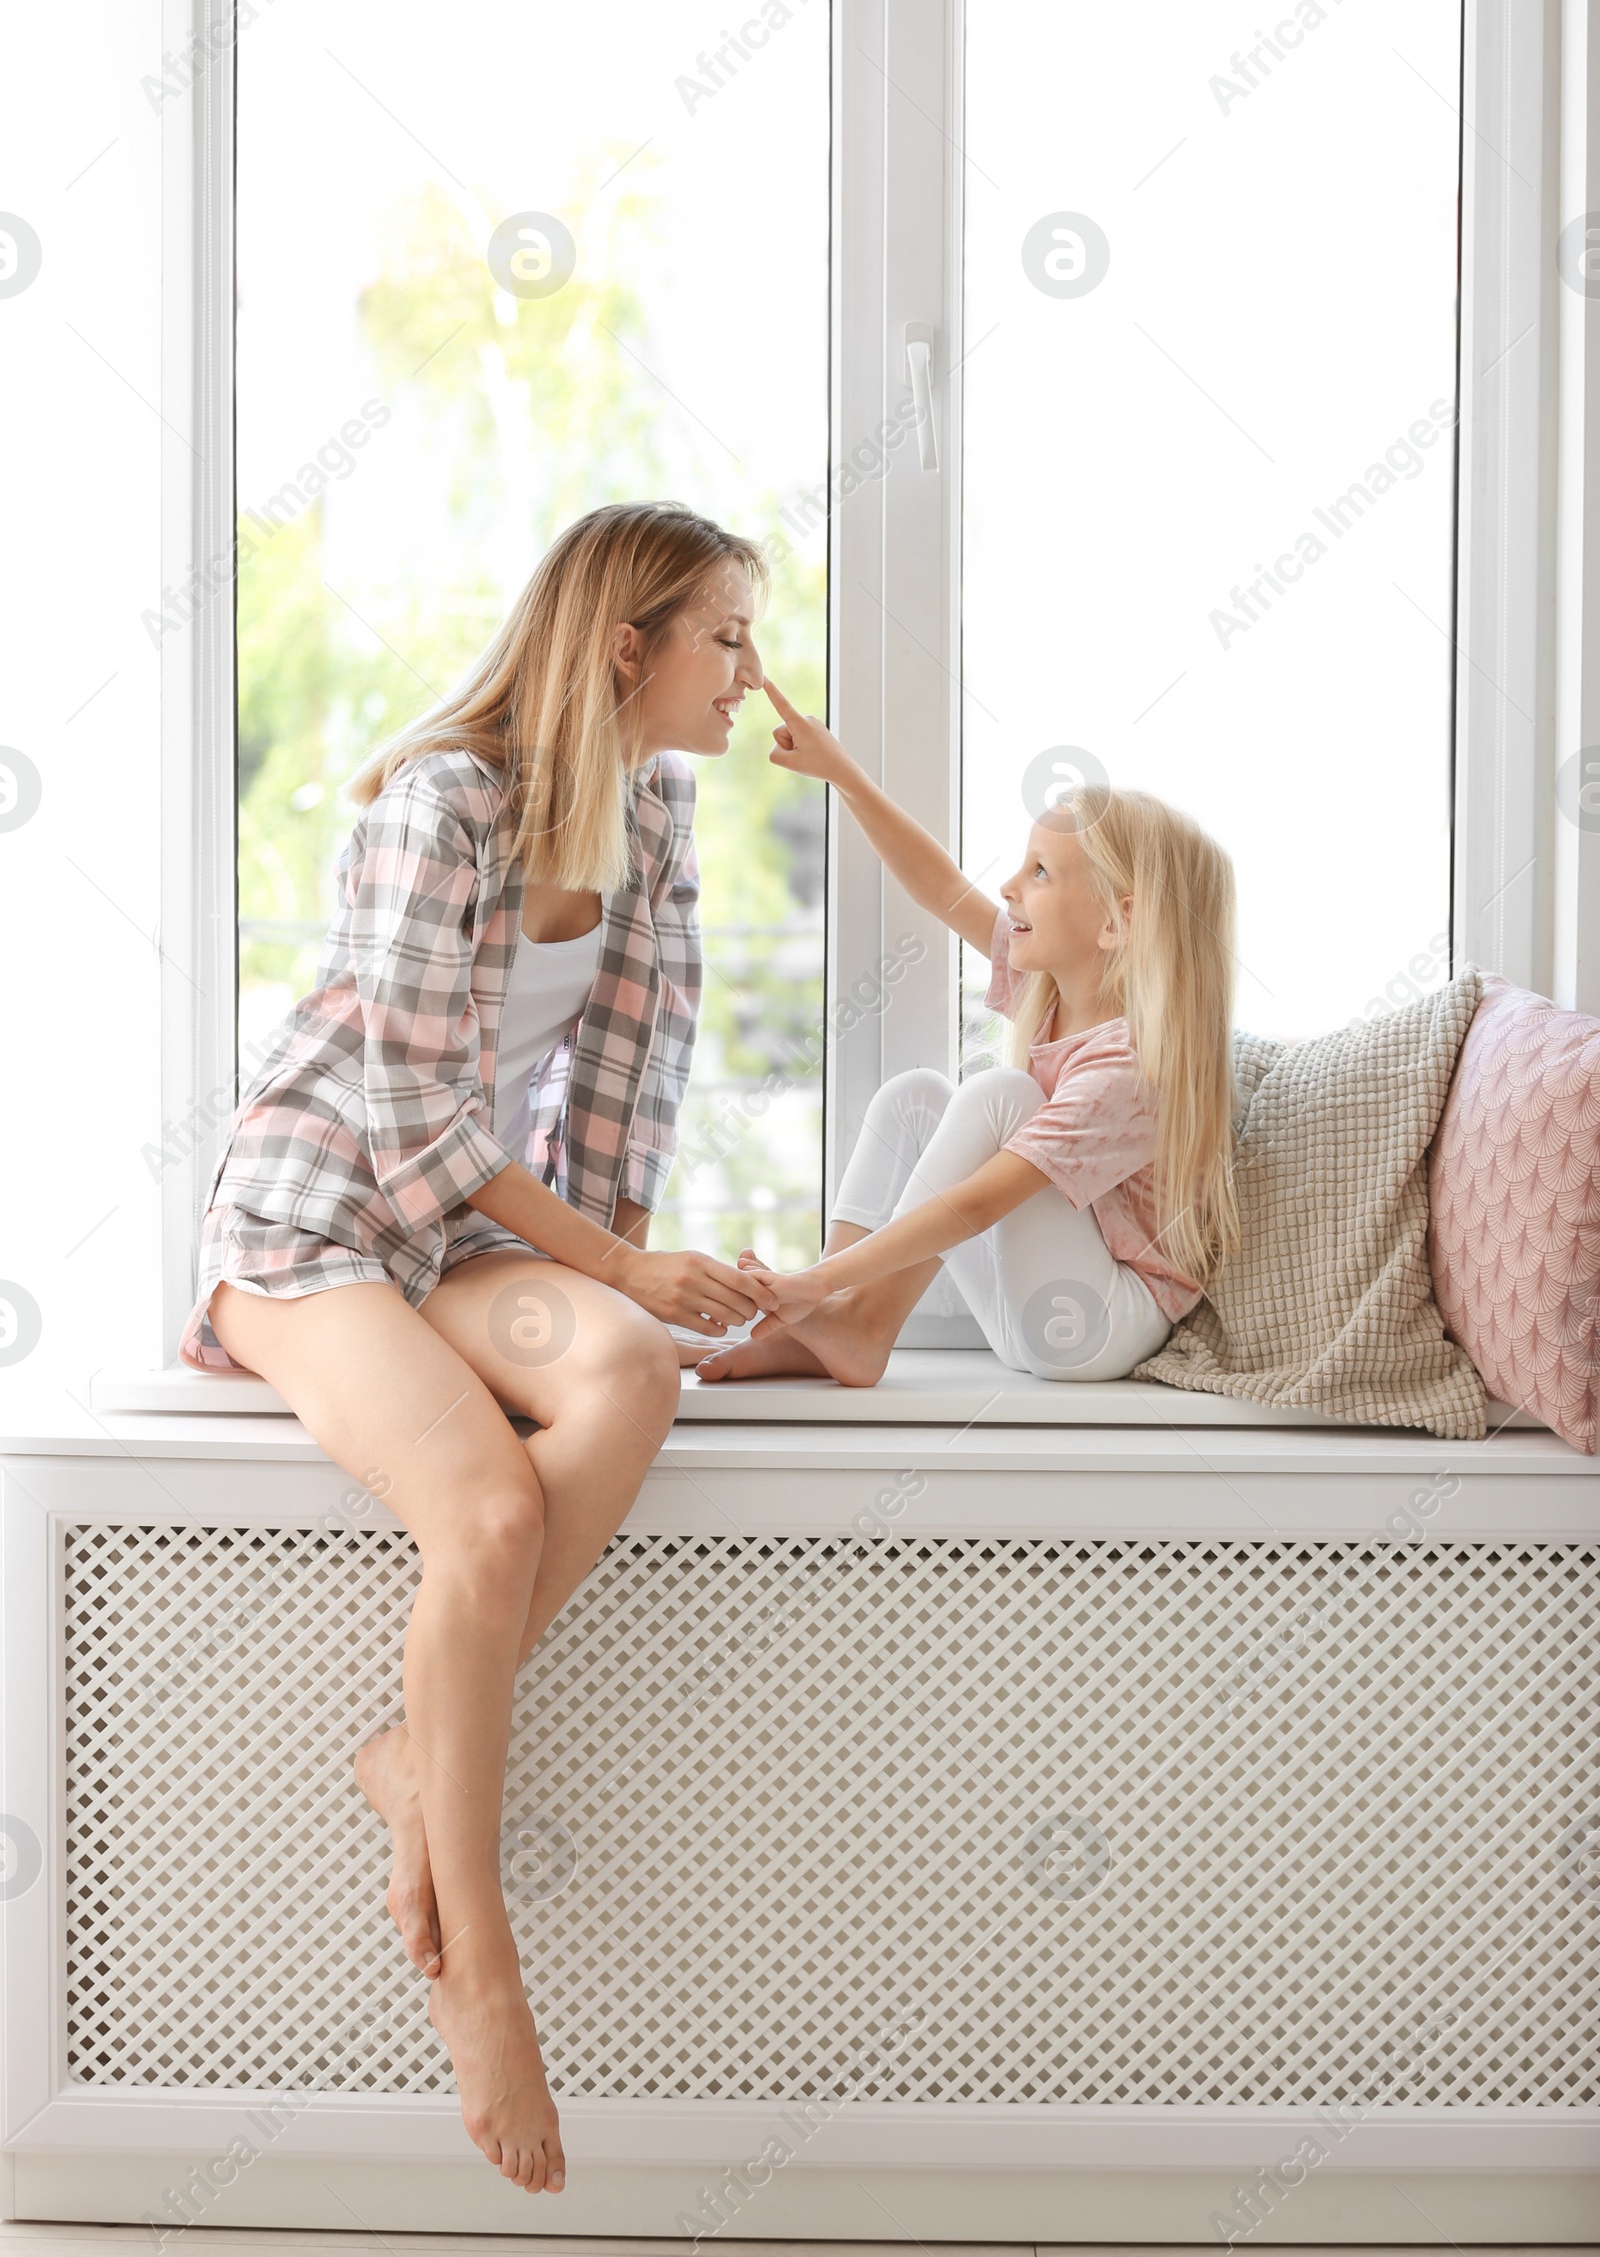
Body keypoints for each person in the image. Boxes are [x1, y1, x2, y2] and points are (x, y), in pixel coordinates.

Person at [182, 503, 772, 2194]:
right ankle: (477, 1950)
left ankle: (410, 1757)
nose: (748, 677)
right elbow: (414, 1113)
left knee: (634, 1373)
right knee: (493, 1516)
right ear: (624, 645)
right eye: (725, 638)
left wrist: (643, 1281)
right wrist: (617, 1260)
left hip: (459, 1238)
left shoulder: (653, 820)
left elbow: (619, 1101)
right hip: (316, 1220)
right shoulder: (433, 811)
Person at [700, 682, 1239, 1389]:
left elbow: (980, 1204)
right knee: (919, 1096)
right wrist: (844, 775)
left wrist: (811, 1276)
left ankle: (852, 1315)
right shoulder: (1050, 993)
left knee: (1003, 1092)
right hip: (1038, 1311)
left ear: (1115, 924)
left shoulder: (1126, 1068)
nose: (1011, 886)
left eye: (1040, 871)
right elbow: (941, 887)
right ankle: (836, 1319)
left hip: (1094, 1324)